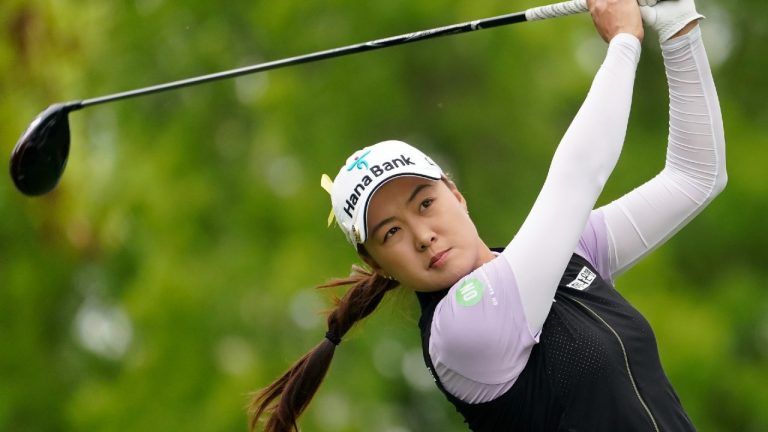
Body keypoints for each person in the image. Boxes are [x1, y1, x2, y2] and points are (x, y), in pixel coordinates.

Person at [248, 0, 726, 430]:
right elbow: (577, 177)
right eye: (391, 232)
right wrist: (623, 43)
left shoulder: (559, 257)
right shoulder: (460, 330)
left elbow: (696, 175)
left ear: (457, 196)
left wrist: (680, 27)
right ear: (377, 264)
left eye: (425, 203)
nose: (422, 236)